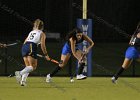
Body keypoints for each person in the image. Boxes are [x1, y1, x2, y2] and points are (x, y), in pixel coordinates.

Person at [15, 19, 50, 86]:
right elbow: (43, 46)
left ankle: (23, 81)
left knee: (28, 67)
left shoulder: (31, 32)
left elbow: (25, 42)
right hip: (31, 46)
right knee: (33, 67)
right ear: (42, 26)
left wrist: (27, 49)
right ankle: (19, 73)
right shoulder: (42, 34)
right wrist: (46, 55)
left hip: (24, 47)